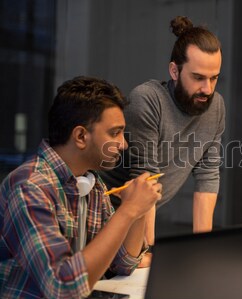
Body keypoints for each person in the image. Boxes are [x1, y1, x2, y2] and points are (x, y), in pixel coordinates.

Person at [0, 76, 162, 298]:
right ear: (80, 136)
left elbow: (123, 263)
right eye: (115, 133)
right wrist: (128, 211)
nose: (123, 144)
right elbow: (63, 287)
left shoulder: (90, 183)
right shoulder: (30, 187)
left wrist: (139, 210)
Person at [100, 16, 225, 265]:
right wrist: (148, 251)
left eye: (214, 78)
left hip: (142, 214)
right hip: (105, 214)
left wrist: (204, 251)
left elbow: (208, 175)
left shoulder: (216, 106)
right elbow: (146, 178)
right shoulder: (147, 100)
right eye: (198, 77)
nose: (208, 89)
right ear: (174, 71)